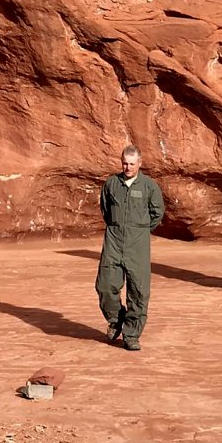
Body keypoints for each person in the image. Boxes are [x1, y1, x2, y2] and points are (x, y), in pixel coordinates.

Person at [96, 144, 165, 351]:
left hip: (138, 243)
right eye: (125, 163)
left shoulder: (149, 187)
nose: (128, 168)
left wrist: (141, 230)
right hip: (114, 240)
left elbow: (157, 213)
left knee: (139, 290)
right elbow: (105, 209)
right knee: (105, 286)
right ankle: (116, 320)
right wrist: (118, 226)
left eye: (132, 164)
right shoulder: (111, 184)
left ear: (140, 164)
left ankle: (132, 335)